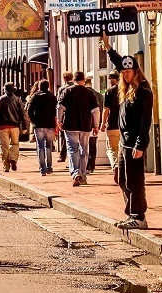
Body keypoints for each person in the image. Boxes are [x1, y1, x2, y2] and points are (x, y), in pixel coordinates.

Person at [105, 41, 152, 230]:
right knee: (122, 179)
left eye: (128, 72)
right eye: (123, 72)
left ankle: (139, 216)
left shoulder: (143, 91)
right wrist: (108, 48)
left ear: (136, 71)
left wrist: (140, 144)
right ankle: (131, 212)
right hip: (124, 142)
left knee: (134, 180)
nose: (125, 74)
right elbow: (118, 61)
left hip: (135, 143)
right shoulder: (126, 89)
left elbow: (145, 120)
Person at [59, 71, 100, 186]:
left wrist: (59, 120)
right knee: (84, 151)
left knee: (73, 149)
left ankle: (75, 172)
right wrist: (96, 125)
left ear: (74, 80)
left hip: (70, 125)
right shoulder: (89, 93)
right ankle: (83, 175)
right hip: (85, 126)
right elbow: (96, 111)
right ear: (84, 80)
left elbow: (60, 107)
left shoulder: (67, 91)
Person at [0, 83, 28, 172]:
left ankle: (6, 166)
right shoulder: (18, 100)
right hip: (15, 126)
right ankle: (13, 159)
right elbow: (23, 114)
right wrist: (24, 126)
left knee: (4, 146)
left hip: (2, 126)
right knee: (14, 144)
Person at [26, 79, 58, 177]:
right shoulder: (52, 96)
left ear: (39, 87)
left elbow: (29, 111)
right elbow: (56, 110)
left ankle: (42, 169)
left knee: (40, 147)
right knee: (48, 146)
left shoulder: (35, 97)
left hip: (39, 125)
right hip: (50, 124)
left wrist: (33, 121)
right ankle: (49, 167)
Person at [101, 71, 122, 173]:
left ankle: (116, 165)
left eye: (110, 79)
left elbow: (106, 109)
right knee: (123, 149)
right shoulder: (126, 90)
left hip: (113, 125)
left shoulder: (109, 92)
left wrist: (103, 123)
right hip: (125, 126)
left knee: (111, 149)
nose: (109, 81)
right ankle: (123, 170)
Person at [55, 72, 74, 164]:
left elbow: (59, 103)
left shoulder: (62, 89)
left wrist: (58, 118)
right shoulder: (76, 88)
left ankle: (63, 155)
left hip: (65, 115)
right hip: (76, 114)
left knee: (64, 136)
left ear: (64, 79)